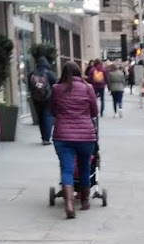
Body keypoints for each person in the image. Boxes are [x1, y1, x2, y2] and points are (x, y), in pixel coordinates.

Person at [50, 60, 98, 219]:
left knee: (67, 169)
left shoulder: (57, 89)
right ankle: (84, 200)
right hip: (86, 136)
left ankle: (69, 205)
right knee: (85, 166)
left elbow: (52, 110)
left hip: (62, 136)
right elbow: (94, 111)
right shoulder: (88, 88)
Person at [28, 56, 58, 145]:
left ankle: (43, 136)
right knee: (47, 116)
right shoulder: (50, 73)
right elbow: (55, 84)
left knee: (40, 117)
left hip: (36, 98)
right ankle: (46, 138)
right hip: (47, 97)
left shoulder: (32, 73)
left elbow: (30, 85)